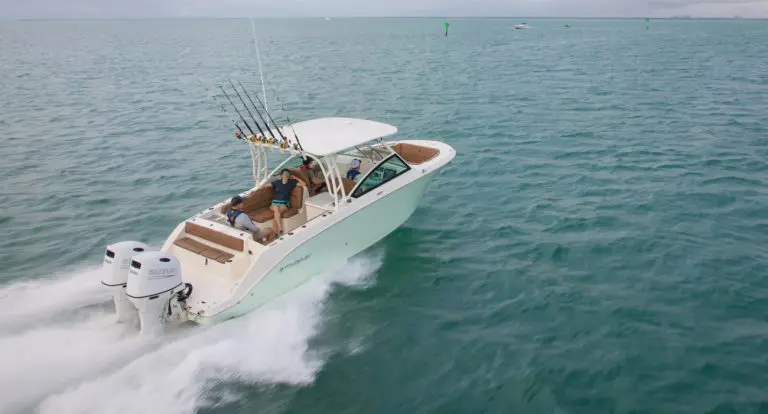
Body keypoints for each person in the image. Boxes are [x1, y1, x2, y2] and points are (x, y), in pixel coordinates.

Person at [262, 169, 307, 235]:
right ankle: (279, 229)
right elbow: (265, 185)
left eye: (287, 174)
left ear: (289, 176)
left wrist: (296, 178)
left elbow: (304, 184)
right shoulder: (277, 182)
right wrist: (255, 190)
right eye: (284, 174)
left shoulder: (292, 182)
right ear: (281, 175)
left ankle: (277, 231)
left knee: (276, 212)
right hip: (275, 202)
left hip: (285, 203)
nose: (285, 176)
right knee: (277, 209)